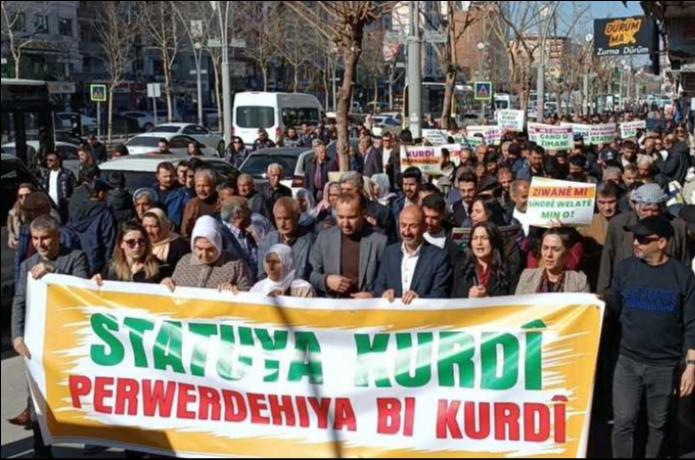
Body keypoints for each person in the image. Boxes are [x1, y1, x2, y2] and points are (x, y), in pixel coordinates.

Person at [606, 216, 695, 459]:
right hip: (627, 361)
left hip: (665, 366)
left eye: (643, 239)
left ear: (662, 243)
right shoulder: (625, 268)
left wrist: (690, 367)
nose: (636, 243)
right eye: (635, 238)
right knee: (623, 421)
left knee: (658, 424)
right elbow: (613, 305)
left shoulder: (683, 276)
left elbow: (692, 324)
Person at [12, 216, 90, 459]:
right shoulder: (28, 264)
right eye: (35, 238)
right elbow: (20, 301)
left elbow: (82, 292)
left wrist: (55, 272)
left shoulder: (76, 257)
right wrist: (17, 336)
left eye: (45, 238)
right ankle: (41, 450)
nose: (40, 243)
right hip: (38, 342)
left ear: (57, 236)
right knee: (37, 399)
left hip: (68, 341)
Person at [598, 183, 691, 295]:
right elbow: (607, 263)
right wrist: (602, 294)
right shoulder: (618, 224)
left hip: (664, 290)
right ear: (636, 206)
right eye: (645, 210)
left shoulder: (677, 226)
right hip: (626, 289)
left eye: (655, 210)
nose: (650, 214)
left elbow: (684, 262)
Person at [309, 193, 388, 298]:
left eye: (351, 217)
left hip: (365, 306)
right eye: (341, 217)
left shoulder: (379, 242)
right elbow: (311, 274)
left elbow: (387, 281)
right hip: (332, 304)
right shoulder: (324, 238)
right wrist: (327, 280)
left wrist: (371, 295)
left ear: (363, 214)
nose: (345, 223)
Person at [374, 206, 452, 304]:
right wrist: (384, 293)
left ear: (424, 227)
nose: (407, 232)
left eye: (413, 226)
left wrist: (419, 299)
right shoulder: (389, 252)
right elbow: (379, 286)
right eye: (403, 225)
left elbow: (441, 294)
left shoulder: (439, 257)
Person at [162, 216, 253, 292]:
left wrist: (235, 290)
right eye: (199, 249)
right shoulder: (184, 262)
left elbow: (248, 293)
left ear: (218, 244)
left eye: (210, 249)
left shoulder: (236, 265)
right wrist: (166, 284)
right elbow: (172, 287)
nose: (204, 255)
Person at [516, 228, 590, 294]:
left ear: (567, 253)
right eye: (545, 248)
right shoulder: (527, 276)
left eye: (555, 249)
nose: (548, 254)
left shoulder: (580, 282)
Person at [258, 198, 316, 281]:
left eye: (287, 218)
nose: (282, 224)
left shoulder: (311, 242)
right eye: (278, 219)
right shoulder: (267, 241)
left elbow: (314, 276)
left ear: (298, 217)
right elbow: (262, 275)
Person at [92, 222, 169, 284]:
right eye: (131, 242)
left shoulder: (160, 268)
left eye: (141, 241)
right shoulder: (111, 269)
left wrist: (166, 282)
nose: (137, 246)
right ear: (121, 244)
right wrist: (95, 281)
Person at [69, 180, 118, 276]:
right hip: (96, 263)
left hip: (76, 259)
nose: (108, 196)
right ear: (101, 194)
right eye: (107, 193)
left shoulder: (77, 209)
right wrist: (108, 264)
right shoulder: (105, 214)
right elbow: (109, 241)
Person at [579, 182, 622, 291]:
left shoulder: (629, 223)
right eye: (602, 202)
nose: (607, 208)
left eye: (611, 202)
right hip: (595, 280)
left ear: (618, 200)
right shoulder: (587, 225)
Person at [452, 222, 512, 298]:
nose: (479, 242)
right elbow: (453, 299)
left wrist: (486, 298)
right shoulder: (461, 268)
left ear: (494, 241)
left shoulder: (507, 269)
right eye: (475, 238)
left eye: (484, 238)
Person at [340, 172, 396, 241]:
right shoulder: (334, 210)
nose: (345, 193)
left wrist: (375, 227)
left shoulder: (382, 212)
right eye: (342, 189)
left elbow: (392, 241)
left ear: (360, 189)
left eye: (349, 189)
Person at [251, 244, 316, 298]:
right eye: (268, 261)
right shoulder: (257, 289)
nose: (270, 267)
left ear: (288, 264)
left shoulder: (303, 289)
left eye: (276, 262)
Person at [220, 197, 259, 282]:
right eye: (246, 209)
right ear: (236, 214)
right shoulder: (222, 236)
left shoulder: (248, 234)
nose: (250, 212)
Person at [182, 169, 220, 239]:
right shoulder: (191, 204)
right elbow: (184, 231)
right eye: (198, 186)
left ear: (213, 186)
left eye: (205, 186)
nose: (201, 189)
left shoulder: (221, 203)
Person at [150, 162, 189, 230]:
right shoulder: (151, 193)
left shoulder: (182, 194)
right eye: (165, 177)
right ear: (158, 176)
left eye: (171, 176)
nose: (168, 179)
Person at [42, 152, 75, 223]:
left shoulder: (67, 173)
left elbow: (74, 188)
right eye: (47, 160)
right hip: (51, 205)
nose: (48, 162)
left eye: (51, 160)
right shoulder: (46, 174)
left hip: (64, 206)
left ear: (58, 160)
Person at [7, 184, 37, 250]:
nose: (24, 199)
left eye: (27, 195)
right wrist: (12, 240)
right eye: (21, 196)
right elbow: (11, 232)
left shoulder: (44, 211)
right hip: (22, 247)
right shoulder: (13, 214)